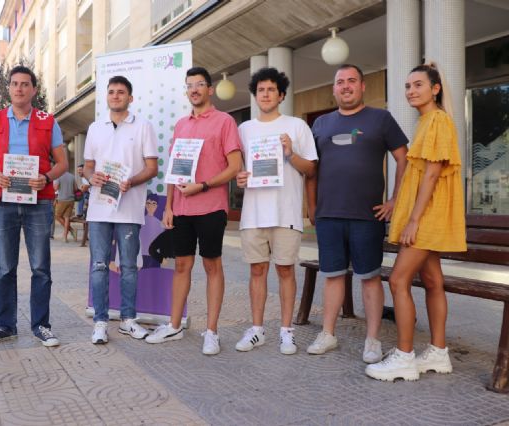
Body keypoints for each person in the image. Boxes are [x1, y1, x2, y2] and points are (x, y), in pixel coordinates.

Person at [366, 63, 466, 381]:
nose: (411, 91)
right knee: (434, 282)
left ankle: (405, 356)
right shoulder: (426, 122)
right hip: (428, 216)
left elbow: (433, 174)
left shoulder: (437, 120)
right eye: (408, 86)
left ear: (435, 89)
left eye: (418, 85)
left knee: (398, 281)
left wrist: (414, 220)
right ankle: (438, 352)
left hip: (428, 217)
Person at [305, 64, 408, 363]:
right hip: (329, 214)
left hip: (368, 216)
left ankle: (373, 340)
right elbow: (310, 170)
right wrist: (311, 207)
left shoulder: (381, 119)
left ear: (363, 86)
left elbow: (403, 158)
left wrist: (394, 200)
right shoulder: (321, 124)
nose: (346, 86)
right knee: (333, 276)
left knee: (370, 277)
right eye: (340, 82)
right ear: (334, 89)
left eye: (352, 81)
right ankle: (328, 334)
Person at [145, 67, 243, 355]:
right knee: (180, 266)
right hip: (182, 209)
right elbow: (176, 169)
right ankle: (174, 325)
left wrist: (202, 185)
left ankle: (211, 331)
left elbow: (234, 167)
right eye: (190, 85)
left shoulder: (225, 122)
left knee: (212, 265)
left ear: (210, 89)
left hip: (211, 207)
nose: (195, 89)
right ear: (186, 91)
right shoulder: (181, 125)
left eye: (200, 84)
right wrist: (170, 205)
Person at [0, 65, 68, 347]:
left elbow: (62, 162)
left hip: (38, 202)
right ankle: (5, 326)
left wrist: (47, 177)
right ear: (9, 88)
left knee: (40, 267)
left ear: (34, 90)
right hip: (2, 202)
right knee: (5, 267)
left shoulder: (48, 121)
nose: (19, 88)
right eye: (14, 84)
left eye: (25, 84)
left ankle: (41, 325)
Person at [234, 67, 318, 355]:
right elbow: (239, 169)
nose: (266, 94)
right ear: (255, 96)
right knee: (257, 270)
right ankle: (257, 329)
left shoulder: (296, 127)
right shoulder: (244, 129)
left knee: (285, 270)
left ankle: (286, 331)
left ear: (281, 95)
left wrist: (290, 152)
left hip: (286, 212)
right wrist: (240, 178)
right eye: (261, 90)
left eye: (271, 90)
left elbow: (311, 168)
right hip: (254, 213)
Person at [83, 75, 158, 344]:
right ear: (106, 96)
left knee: (128, 266)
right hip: (100, 208)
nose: (116, 96)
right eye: (112, 92)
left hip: (129, 208)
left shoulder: (143, 126)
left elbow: (152, 168)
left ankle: (128, 319)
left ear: (130, 97)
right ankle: (101, 321)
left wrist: (132, 181)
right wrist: (92, 177)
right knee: (100, 265)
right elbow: (88, 166)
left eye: (121, 92)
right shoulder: (94, 128)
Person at [53, 170, 76, 242]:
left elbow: (55, 188)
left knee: (57, 216)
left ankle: (71, 230)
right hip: (71, 200)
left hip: (62, 199)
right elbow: (75, 188)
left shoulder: (58, 176)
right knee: (67, 218)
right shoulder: (72, 176)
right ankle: (65, 237)